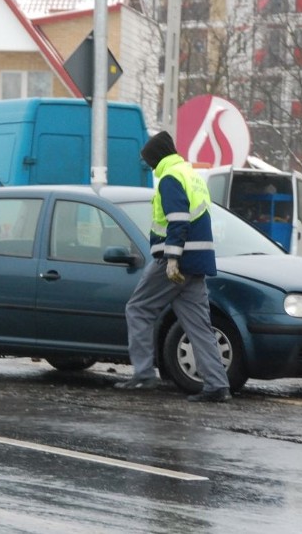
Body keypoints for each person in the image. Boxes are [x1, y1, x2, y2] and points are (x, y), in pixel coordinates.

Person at [114, 131, 232, 403]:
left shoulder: (170, 177)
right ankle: (217, 384)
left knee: (138, 308)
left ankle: (143, 375)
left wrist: (172, 259)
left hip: (175, 261)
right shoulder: (190, 174)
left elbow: (178, 220)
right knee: (199, 324)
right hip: (198, 261)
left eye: (150, 162)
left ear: (157, 158)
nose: (151, 167)